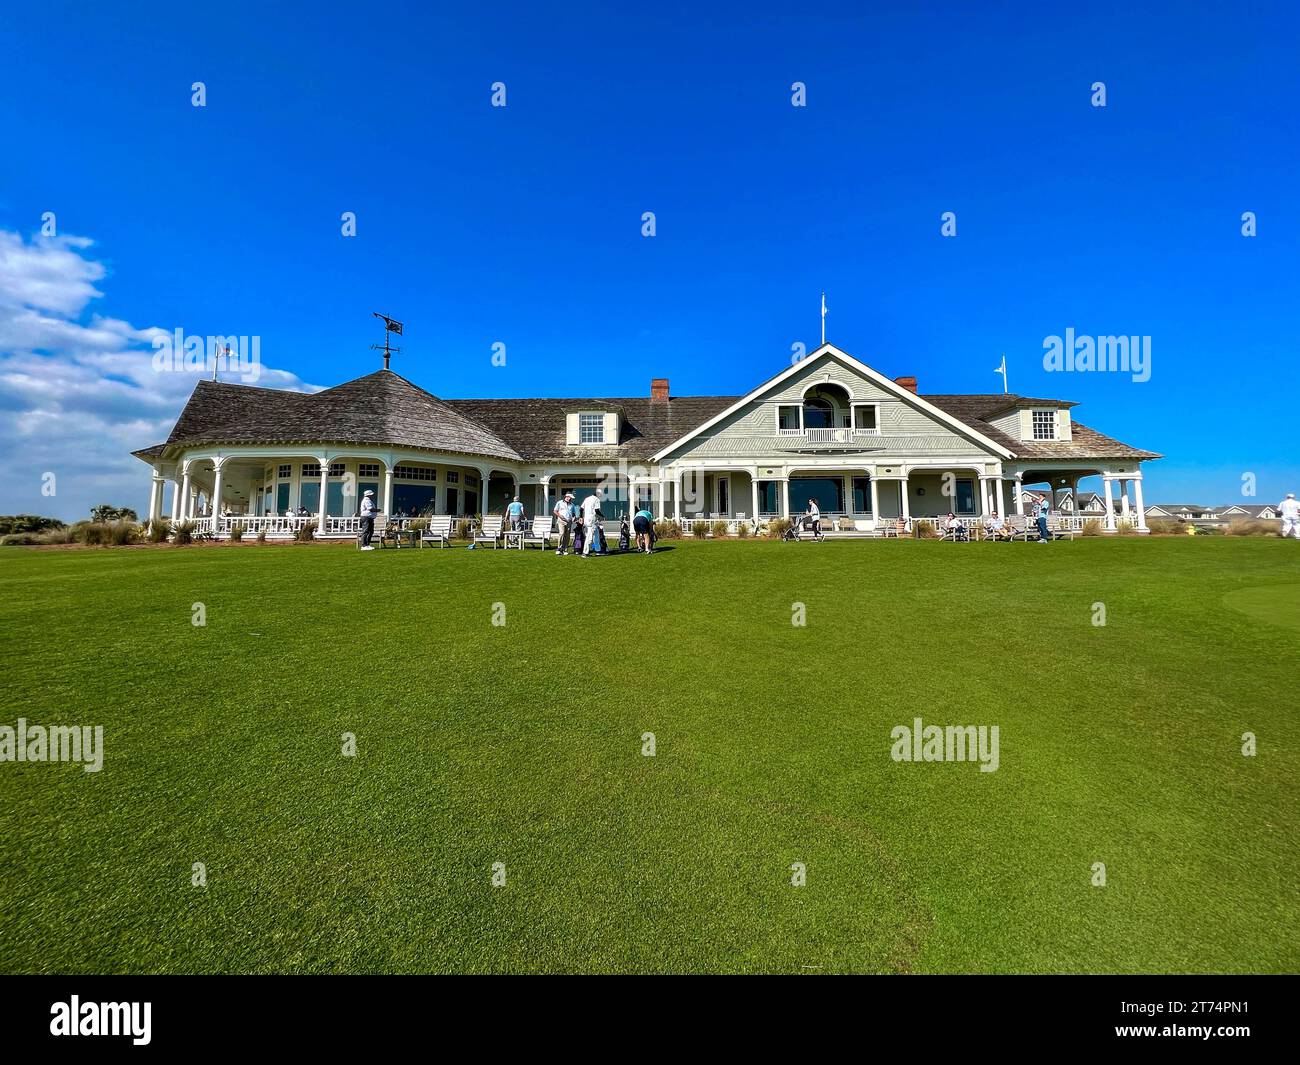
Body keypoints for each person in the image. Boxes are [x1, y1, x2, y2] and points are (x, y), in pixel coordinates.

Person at [580, 491, 602, 556]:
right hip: (592, 520)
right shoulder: (596, 499)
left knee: (596, 535)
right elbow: (597, 510)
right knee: (589, 537)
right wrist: (603, 516)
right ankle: (585, 552)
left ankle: (598, 550)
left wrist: (581, 517)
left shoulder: (587, 499)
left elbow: (581, 509)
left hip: (586, 520)